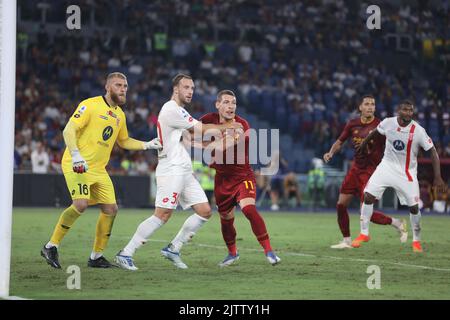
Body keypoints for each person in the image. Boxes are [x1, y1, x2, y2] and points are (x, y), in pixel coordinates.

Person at [114, 74, 242, 270]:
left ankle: (173, 248)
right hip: (171, 169)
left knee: (204, 211)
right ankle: (126, 253)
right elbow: (202, 130)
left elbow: (195, 137)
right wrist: (229, 126)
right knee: (162, 214)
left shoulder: (180, 112)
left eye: (192, 88)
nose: (190, 91)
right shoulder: (172, 110)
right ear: (176, 89)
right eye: (186, 87)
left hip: (183, 168)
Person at [40, 72, 162, 269]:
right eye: (118, 85)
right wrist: (76, 154)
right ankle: (50, 246)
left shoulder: (119, 115)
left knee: (111, 209)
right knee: (80, 204)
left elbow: (123, 141)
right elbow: (68, 130)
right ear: (107, 87)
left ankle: (96, 257)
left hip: (98, 169)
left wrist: (147, 145)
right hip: (77, 163)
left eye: (125, 86)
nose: (123, 89)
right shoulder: (90, 104)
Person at [351, 100, 447, 252]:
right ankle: (364, 233)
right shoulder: (388, 123)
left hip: (406, 172)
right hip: (387, 166)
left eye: (411, 110)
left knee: (414, 208)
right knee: (367, 196)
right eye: (405, 110)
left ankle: (416, 241)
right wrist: (364, 145)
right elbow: (376, 132)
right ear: (399, 110)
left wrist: (438, 176)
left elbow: (433, 151)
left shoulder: (418, 130)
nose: (408, 113)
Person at [200, 90, 281, 266]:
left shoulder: (241, 124)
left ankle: (269, 251)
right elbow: (192, 130)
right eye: (227, 102)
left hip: (242, 176)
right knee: (226, 218)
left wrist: (200, 144)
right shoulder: (208, 119)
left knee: (248, 209)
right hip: (222, 179)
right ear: (217, 104)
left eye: (234, 103)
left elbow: (224, 145)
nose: (231, 106)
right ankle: (232, 253)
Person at [324, 95, 407, 249]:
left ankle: (395, 222)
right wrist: (330, 153)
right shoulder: (352, 124)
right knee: (341, 205)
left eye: (373, 104)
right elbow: (340, 141)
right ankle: (346, 240)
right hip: (355, 169)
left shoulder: (381, 126)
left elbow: (395, 142)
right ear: (360, 107)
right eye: (367, 104)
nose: (370, 107)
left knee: (365, 211)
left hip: (372, 172)